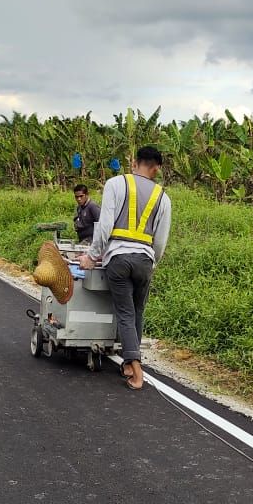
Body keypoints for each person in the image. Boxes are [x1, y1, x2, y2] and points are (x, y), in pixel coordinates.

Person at [78, 146, 172, 390]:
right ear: (156, 168)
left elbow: (105, 224)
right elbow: (160, 240)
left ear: (135, 161)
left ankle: (136, 370)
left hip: (118, 259)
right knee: (137, 312)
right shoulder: (163, 197)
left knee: (125, 313)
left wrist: (92, 256)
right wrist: (153, 262)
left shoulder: (115, 184)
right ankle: (129, 364)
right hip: (145, 261)